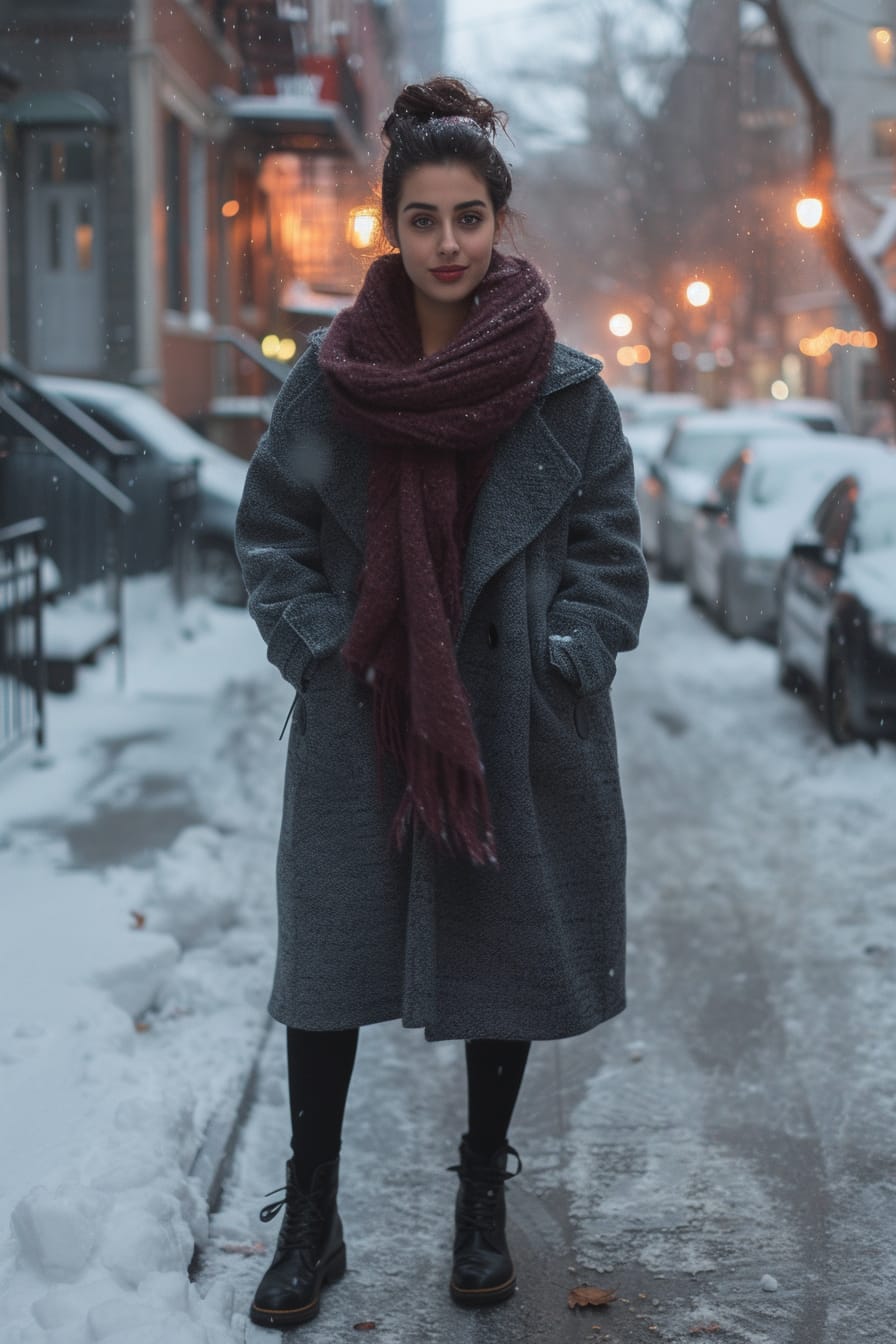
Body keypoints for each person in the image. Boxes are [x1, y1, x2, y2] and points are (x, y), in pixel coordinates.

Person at [235, 75, 649, 1330]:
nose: (449, 243)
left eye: (469, 216)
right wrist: (319, 649)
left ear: (497, 220)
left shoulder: (564, 392)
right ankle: (313, 1214)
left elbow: (610, 552)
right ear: (392, 228)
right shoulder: (333, 380)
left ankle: (479, 1192)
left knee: (505, 960)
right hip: (366, 712)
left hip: (511, 722)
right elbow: (271, 537)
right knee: (327, 969)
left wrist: (566, 651)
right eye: (424, 220)